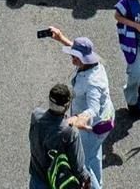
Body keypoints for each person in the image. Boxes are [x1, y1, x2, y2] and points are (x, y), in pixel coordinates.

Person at [45, 28, 115, 189]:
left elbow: (94, 109)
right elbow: (79, 52)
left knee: (83, 164)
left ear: (83, 59)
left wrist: (77, 119)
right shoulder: (90, 63)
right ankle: (100, 183)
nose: (72, 59)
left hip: (92, 126)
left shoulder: (93, 82)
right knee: (93, 155)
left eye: (74, 57)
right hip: (100, 123)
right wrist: (61, 38)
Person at [28, 83, 83, 189]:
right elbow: (78, 167)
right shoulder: (70, 132)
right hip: (56, 183)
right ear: (66, 106)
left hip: (36, 178)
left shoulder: (35, 116)